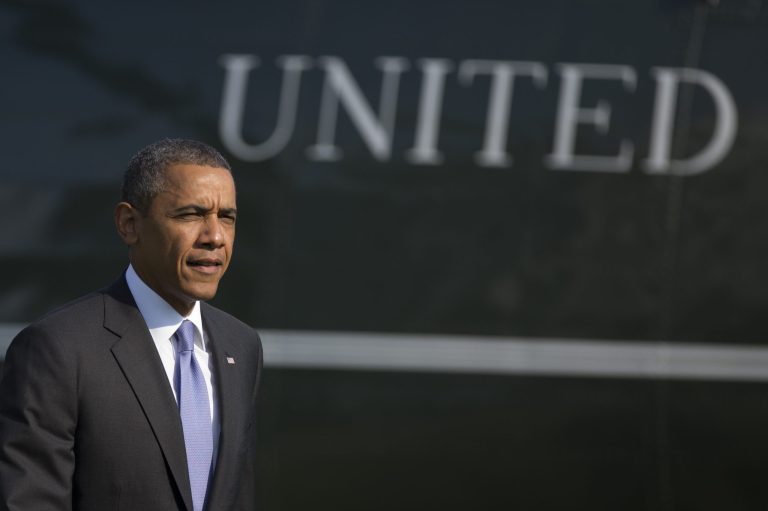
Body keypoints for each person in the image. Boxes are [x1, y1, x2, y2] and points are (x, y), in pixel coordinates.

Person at [0, 139, 263, 511]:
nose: (215, 237)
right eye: (190, 215)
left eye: (227, 217)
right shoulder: (57, 349)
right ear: (129, 224)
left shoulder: (241, 345)